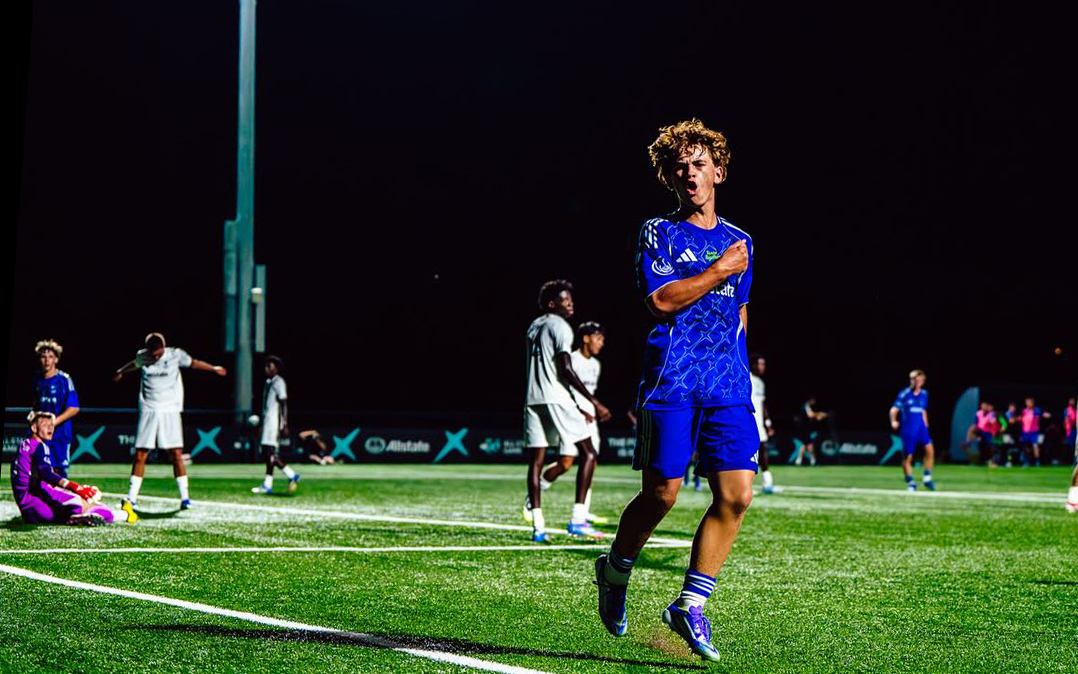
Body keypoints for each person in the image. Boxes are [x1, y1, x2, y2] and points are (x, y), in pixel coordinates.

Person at [595, 119, 755, 662]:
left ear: (719, 171)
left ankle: (690, 604)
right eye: (679, 167)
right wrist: (716, 270)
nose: (690, 173)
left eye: (698, 163)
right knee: (662, 494)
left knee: (735, 496)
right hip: (672, 380)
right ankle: (615, 570)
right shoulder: (658, 233)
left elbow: (741, 311)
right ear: (670, 177)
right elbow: (661, 301)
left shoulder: (742, 242)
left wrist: (740, 369)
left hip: (727, 385)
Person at [523, 280, 612, 543]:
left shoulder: (534, 326)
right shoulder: (560, 326)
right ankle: (577, 520)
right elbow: (566, 368)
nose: (570, 304)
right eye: (565, 300)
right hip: (558, 399)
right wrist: (594, 403)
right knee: (589, 454)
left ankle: (538, 527)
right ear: (552, 304)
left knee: (536, 462)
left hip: (532, 399)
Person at [113, 332, 227, 510]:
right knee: (141, 454)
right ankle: (132, 497)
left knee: (175, 454)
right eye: (153, 354)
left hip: (170, 410)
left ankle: (185, 498)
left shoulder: (175, 355)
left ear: (164, 348)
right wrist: (121, 371)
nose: (156, 356)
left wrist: (213, 368)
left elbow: (194, 363)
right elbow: (134, 365)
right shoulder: (142, 356)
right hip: (149, 410)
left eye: (158, 353)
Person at [11, 411, 131, 525]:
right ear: (34, 428)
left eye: (51, 424)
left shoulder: (23, 445)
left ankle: (71, 517)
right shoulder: (39, 446)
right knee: (101, 509)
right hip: (38, 501)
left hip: (29, 511)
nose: (50, 428)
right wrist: (74, 487)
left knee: (70, 504)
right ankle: (125, 514)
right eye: (45, 424)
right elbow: (46, 473)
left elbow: (32, 477)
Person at [31, 339, 81, 478]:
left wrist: (52, 423)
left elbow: (74, 408)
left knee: (59, 472)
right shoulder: (36, 379)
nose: (47, 360)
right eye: (43, 356)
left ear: (56, 360)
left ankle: (62, 499)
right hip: (41, 434)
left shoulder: (64, 380)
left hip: (60, 435)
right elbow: (35, 405)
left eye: (51, 357)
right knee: (38, 470)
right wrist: (33, 418)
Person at [252, 355, 300, 494]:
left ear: (276, 368)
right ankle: (290, 476)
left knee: (270, 452)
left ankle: (270, 483)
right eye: (267, 366)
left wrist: (284, 424)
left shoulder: (279, 382)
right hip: (267, 422)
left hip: (274, 422)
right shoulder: (269, 382)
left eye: (270, 366)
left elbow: (284, 403)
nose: (267, 368)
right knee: (269, 452)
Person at [890, 370, 936, 491]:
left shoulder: (924, 394)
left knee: (930, 451)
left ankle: (927, 478)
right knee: (908, 457)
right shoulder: (904, 394)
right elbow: (894, 409)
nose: (916, 382)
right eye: (914, 379)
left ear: (922, 381)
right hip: (908, 429)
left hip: (921, 428)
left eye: (919, 380)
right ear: (911, 380)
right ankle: (910, 482)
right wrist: (893, 421)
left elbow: (923, 410)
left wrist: (926, 424)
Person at [750, 354, 776, 492]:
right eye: (760, 364)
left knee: (764, 450)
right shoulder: (745, 378)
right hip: (748, 423)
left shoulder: (761, 383)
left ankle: (767, 483)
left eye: (763, 364)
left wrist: (768, 422)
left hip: (759, 423)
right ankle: (745, 486)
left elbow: (763, 404)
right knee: (749, 453)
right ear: (753, 365)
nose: (762, 367)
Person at [794, 396, 827, 467]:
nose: (814, 402)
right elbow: (810, 415)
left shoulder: (808, 408)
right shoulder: (805, 407)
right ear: (809, 400)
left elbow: (812, 417)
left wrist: (818, 417)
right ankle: (811, 460)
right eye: (813, 400)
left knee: (805, 445)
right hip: (804, 429)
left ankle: (801, 460)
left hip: (806, 429)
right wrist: (820, 413)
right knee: (808, 444)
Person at [1018, 397, 1050, 467]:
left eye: (1029, 402)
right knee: (1025, 447)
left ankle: (1037, 461)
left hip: (1034, 432)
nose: (1028, 403)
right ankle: (1025, 461)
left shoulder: (1036, 410)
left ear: (1032, 403)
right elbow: (1021, 419)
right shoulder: (1024, 411)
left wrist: (1046, 415)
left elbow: (1043, 414)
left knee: (1035, 446)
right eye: (1027, 402)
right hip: (1025, 432)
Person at [967, 401, 999, 466]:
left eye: (985, 406)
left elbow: (994, 422)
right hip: (980, 432)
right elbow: (975, 423)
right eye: (982, 406)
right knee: (980, 447)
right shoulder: (978, 413)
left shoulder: (991, 414)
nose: (983, 407)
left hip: (988, 433)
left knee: (989, 447)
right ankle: (968, 442)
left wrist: (993, 421)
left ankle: (991, 461)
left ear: (987, 407)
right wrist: (974, 430)